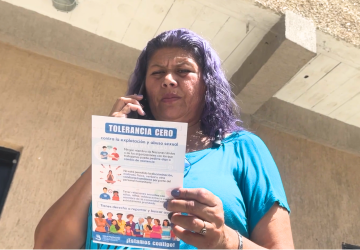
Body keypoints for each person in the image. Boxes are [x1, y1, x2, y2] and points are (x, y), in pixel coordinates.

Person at [34, 28, 294, 249]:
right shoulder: (114, 157)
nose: (169, 80)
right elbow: (47, 244)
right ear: (144, 88)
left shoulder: (242, 150)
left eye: (183, 71)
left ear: (207, 84)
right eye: (157, 73)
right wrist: (107, 148)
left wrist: (224, 239)